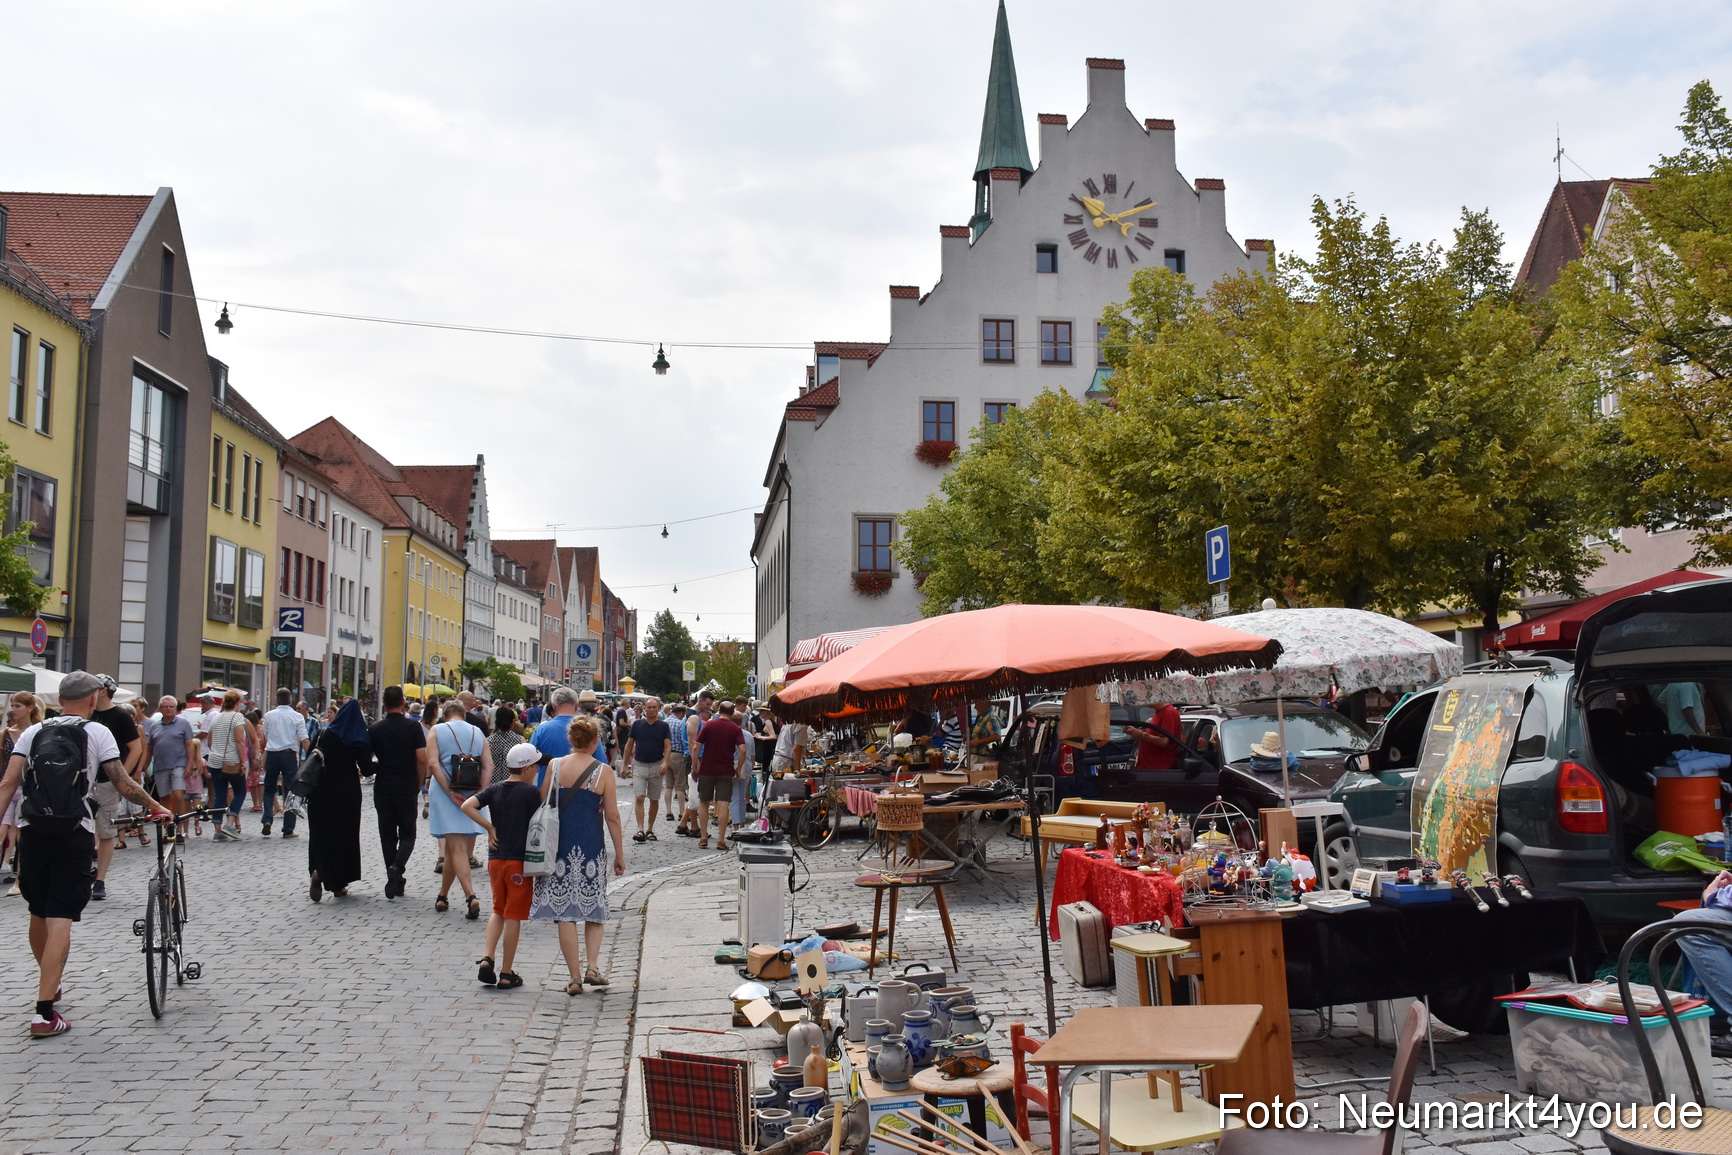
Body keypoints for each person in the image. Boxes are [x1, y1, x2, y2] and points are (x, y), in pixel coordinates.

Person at [0, 670, 170, 1036]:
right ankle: (44, 1013)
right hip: (74, 830)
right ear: (94, 699)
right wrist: (157, 807)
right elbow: (122, 783)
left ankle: (50, 983)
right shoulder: (98, 732)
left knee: (37, 908)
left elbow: (9, 782)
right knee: (61, 914)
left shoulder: (32, 732)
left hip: (34, 830)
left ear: (59, 700)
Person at [530, 714, 625, 994]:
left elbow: (543, 799)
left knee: (564, 913)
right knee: (594, 908)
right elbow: (613, 816)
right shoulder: (603, 771)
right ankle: (593, 966)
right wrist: (619, 853)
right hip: (590, 844)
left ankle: (573, 977)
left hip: (559, 843)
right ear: (596, 740)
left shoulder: (555, 766)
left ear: (570, 739)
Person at [462, 743, 545, 991]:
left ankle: (488, 957)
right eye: (536, 766)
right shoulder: (531, 794)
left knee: (498, 909)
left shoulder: (496, 788)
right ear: (528, 768)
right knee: (513, 916)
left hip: (496, 859)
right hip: (519, 861)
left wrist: (489, 828)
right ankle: (507, 972)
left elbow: (467, 805)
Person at [431, 700, 491, 919]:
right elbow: (489, 765)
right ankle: (442, 895)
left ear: (445, 715)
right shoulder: (477, 732)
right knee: (452, 850)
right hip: (471, 792)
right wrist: (479, 795)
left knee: (455, 848)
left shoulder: (437, 730)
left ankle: (470, 896)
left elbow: (433, 764)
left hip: (447, 792)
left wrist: (448, 792)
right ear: (463, 715)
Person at [368, 686, 429, 900]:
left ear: (384, 704)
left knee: (387, 835)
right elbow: (422, 758)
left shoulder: (375, 728)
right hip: (406, 785)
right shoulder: (413, 727)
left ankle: (394, 877)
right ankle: (398, 866)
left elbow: (367, 760)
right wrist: (419, 781)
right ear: (403, 703)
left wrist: (377, 767)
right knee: (408, 834)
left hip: (383, 785)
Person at [306, 698, 370, 902]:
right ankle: (338, 884)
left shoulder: (323, 733)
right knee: (343, 836)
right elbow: (367, 768)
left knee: (320, 833)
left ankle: (318, 870)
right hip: (346, 793)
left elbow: (310, 757)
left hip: (319, 792)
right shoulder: (356, 738)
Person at [87, 676, 144, 896]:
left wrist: (121, 778)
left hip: (106, 781)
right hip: (85, 780)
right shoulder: (87, 712)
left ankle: (100, 880)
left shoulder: (120, 715)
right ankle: (87, 870)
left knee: (106, 831)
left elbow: (135, 748)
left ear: (102, 691)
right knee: (83, 828)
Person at [0, 692, 45, 896]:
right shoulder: (5, 733)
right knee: (1, 831)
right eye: (12, 705)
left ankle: (19, 880)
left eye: (17, 705)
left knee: (21, 834)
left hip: (27, 787)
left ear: (29, 708)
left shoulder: (39, 732)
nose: (13, 710)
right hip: (6, 785)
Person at [694, 701, 746, 851]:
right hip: (725, 769)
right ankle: (721, 840)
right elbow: (742, 750)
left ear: (719, 710)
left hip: (707, 769)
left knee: (704, 801)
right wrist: (739, 767)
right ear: (732, 712)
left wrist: (694, 766)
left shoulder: (709, 725)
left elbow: (697, 746)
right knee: (724, 803)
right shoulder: (735, 728)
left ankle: (703, 837)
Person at [204, 690, 250, 842]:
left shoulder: (216, 717)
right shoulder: (237, 717)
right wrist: (243, 761)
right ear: (237, 703)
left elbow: (209, 742)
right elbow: (239, 741)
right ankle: (230, 823)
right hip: (231, 760)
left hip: (214, 761)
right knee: (240, 792)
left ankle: (217, 830)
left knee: (220, 794)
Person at [144, 696, 199, 821]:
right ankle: (167, 825)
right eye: (165, 707)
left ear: (175, 709)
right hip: (160, 765)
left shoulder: (183, 723)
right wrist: (145, 766)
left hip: (178, 764)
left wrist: (190, 764)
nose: (168, 709)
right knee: (164, 797)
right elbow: (149, 748)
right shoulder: (154, 726)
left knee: (178, 795)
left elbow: (189, 745)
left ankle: (178, 823)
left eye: (171, 706)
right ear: (160, 709)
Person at [261, 688, 307, 838]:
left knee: (269, 789)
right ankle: (288, 828)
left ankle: (267, 819)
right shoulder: (297, 716)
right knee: (291, 791)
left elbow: (266, 735)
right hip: (288, 755)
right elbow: (304, 738)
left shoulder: (268, 716)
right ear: (290, 700)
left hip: (273, 754)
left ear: (276, 700)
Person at [625, 698, 671, 842]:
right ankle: (640, 829)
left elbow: (668, 746)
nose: (651, 710)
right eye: (649, 707)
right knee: (639, 797)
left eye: (654, 707)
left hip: (657, 765)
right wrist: (625, 765)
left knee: (654, 799)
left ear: (658, 708)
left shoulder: (663, 726)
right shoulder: (637, 725)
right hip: (640, 765)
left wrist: (665, 762)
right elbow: (629, 745)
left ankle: (650, 829)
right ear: (645, 708)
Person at [678, 693, 714, 838]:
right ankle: (693, 827)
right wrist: (695, 763)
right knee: (694, 793)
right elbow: (692, 741)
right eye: (707, 704)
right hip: (694, 756)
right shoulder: (693, 717)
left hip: (694, 756)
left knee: (695, 792)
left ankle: (684, 824)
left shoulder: (694, 715)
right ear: (700, 701)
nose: (709, 708)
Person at [1129, 703, 1184, 770]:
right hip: (1147, 767)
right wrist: (1136, 734)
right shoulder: (1159, 712)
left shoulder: (1169, 712)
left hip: (1158, 768)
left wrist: (1142, 735)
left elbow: (1164, 742)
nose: (1144, 701)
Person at [664, 702, 690, 835]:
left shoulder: (664, 722)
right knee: (680, 785)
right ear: (680, 713)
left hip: (666, 756)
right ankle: (681, 813)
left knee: (668, 785)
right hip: (678, 754)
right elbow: (683, 740)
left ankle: (668, 811)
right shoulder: (680, 724)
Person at [488, 705, 525, 786]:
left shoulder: (488, 741)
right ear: (512, 721)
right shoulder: (519, 740)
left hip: (493, 784)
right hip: (513, 783)